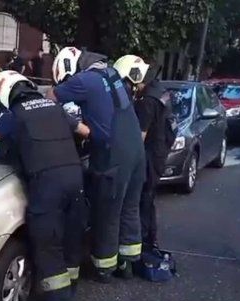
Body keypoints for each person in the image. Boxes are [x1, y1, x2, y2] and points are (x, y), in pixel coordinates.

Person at [0, 70, 89, 301]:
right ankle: (66, 300)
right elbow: (83, 130)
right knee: (69, 241)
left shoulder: (14, 114)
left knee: (48, 246)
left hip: (48, 186)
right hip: (75, 179)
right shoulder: (55, 108)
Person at [47, 47, 146, 282]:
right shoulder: (111, 74)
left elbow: (51, 98)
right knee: (129, 208)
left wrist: (71, 121)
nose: (68, 83)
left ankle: (105, 268)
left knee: (108, 212)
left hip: (114, 155)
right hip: (135, 151)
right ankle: (127, 263)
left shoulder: (83, 80)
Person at [114, 55, 175, 253]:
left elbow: (138, 137)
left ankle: (143, 243)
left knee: (142, 200)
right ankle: (149, 241)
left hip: (149, 156)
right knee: (148, 199)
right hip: (159, 152)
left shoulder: (147, 101)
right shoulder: (159, 91)